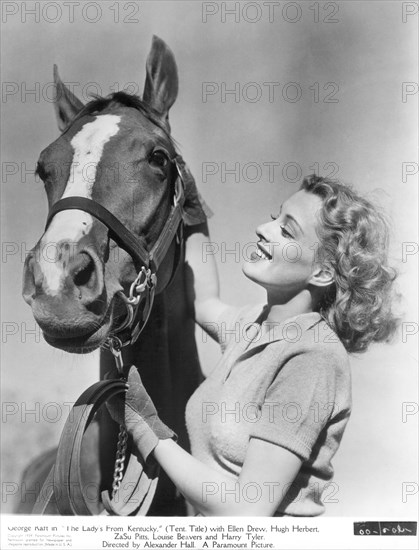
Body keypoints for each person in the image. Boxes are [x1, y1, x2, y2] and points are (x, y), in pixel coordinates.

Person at [108, 174, 398, 517]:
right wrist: (189, 204)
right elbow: (202, 301)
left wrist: (147, 430)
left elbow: (247, 512)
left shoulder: (312, 357)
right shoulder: (253, 326)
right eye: (275, 217)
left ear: (321, 273)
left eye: (287, 231)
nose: (264, 228)